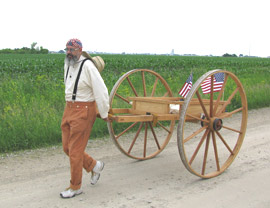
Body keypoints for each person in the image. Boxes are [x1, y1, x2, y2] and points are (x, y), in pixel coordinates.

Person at [60, 38, 110, 198]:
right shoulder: (67, 63)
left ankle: (75, 187)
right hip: (69, 108)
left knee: (75, 151)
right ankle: (94, 166)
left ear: (80, 50)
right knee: (67, 148)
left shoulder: (88, 66)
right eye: (67, 49)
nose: (69, 53)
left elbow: (101, 90)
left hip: (84, 111)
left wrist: (104, 112)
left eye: (72, 50)